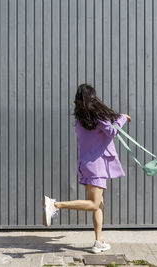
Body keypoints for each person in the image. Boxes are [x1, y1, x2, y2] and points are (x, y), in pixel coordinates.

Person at [43, 83, 131, 254]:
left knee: (99, 205)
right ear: (93, 98)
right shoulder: (98, 117)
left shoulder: (80, 121)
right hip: (97, 166)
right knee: (94, 203)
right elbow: (112, 132)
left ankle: (98, 241)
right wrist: (122, 118)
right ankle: (55, 204)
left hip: (86, 165)